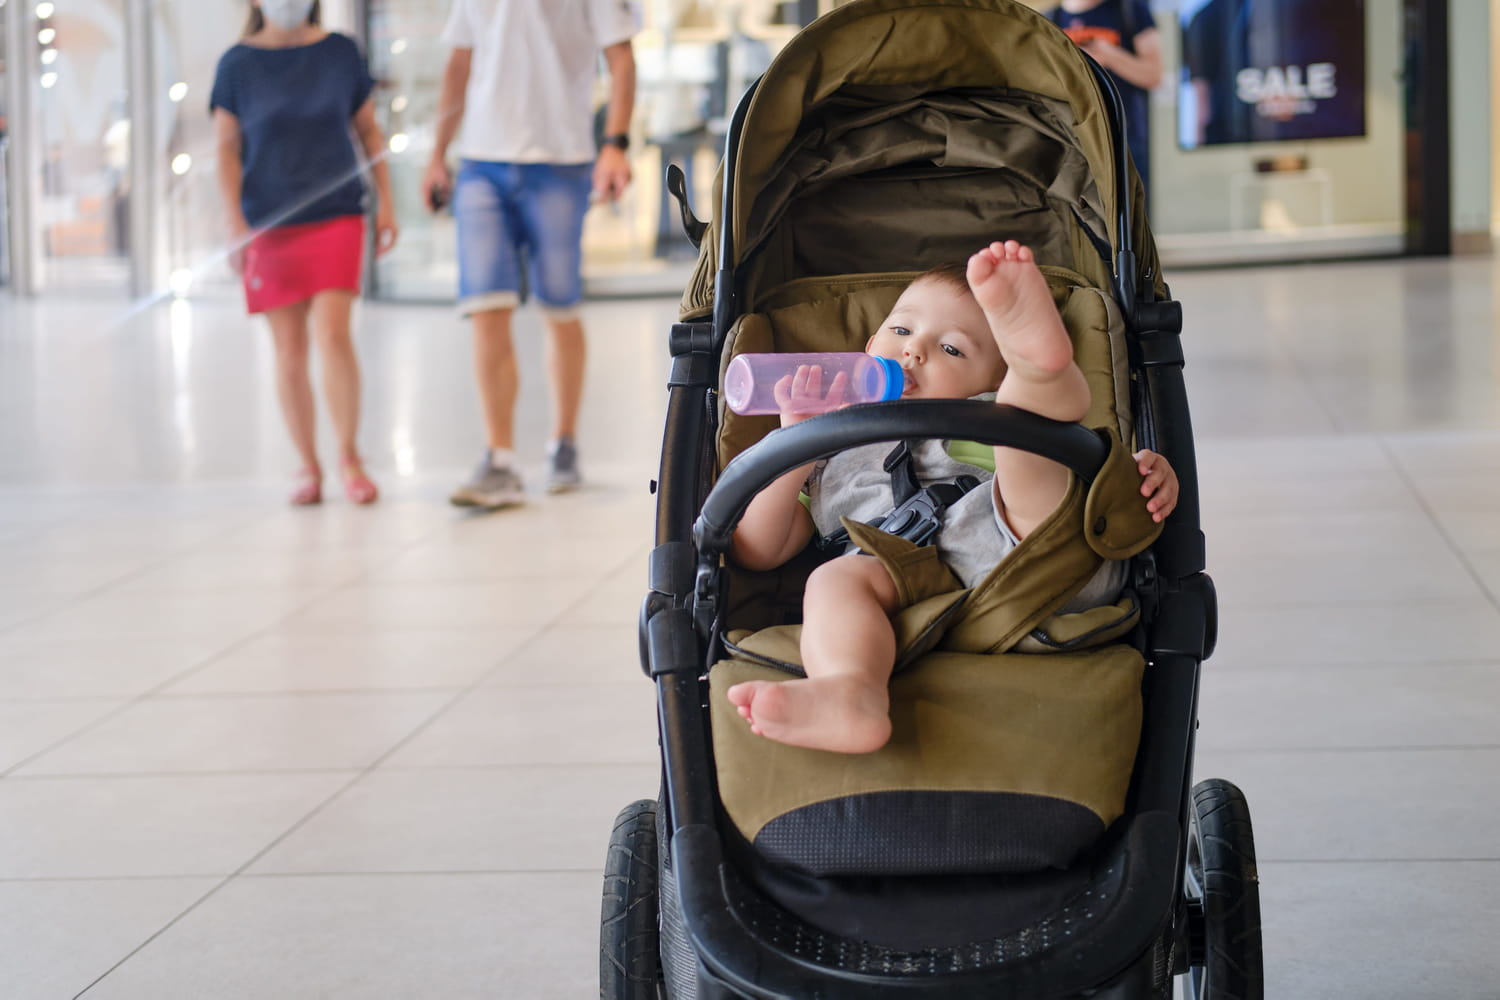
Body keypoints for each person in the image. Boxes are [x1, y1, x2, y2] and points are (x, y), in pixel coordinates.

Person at [725, 241, 1179, 755]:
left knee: (1026, 447)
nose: (913, 351)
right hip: (899, 581)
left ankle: (1039, 371)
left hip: (1033, 562)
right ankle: (850, 693)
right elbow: (757, 550)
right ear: (869, 344)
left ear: (991, 378)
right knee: (833, 580)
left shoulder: (985, 412)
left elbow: (1102, 477)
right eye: (900, 331)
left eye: (952, 349)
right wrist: (794, 448)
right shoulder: (827, 447)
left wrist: (1149, 474)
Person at [423, 0, 639, 509]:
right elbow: (459, 64)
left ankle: (563, 444)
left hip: (560, 162)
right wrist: (437, 154)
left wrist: (616, 143)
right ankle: (498, 459)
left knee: (559, 309)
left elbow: (622, 58)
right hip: (481, 164)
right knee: (486, 308)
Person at [212, 0, 397, 506]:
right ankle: (308, 466)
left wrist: (386, 203)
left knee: (333, 334)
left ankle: (349, 457)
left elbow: (368, 132)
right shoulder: (236, 65)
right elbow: (226, 149)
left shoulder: (341, 52)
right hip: (268, 222)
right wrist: (235, 223)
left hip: (338, 214)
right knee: (290, 349)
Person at [1049, 0, 1163, 199]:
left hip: (1124, 142)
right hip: (1070, 144)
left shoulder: (1130, 10)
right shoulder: (1049, 20)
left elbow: (1154, 75)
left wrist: (1108, 55)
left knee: (1126, 220)